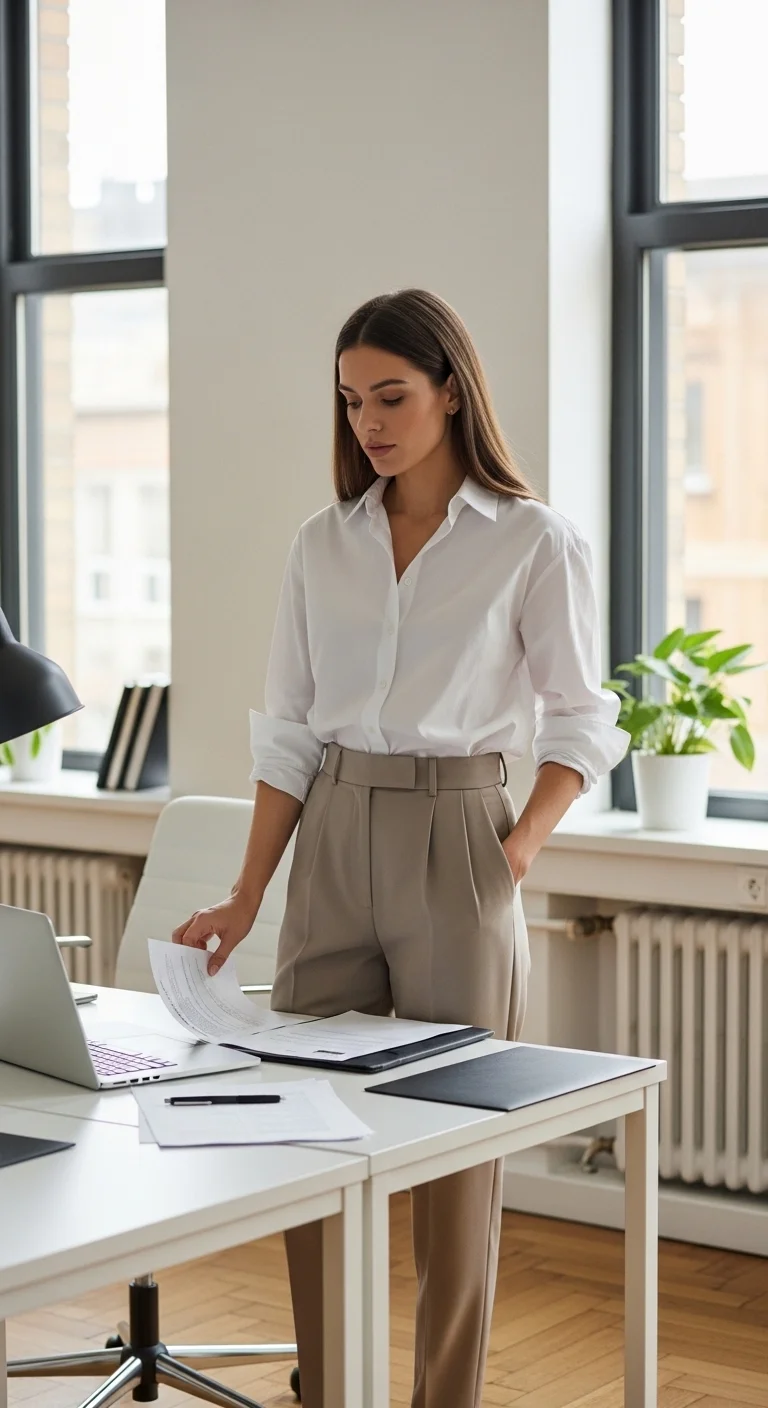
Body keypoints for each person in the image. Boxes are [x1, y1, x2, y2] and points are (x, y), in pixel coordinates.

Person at [173, 288, 629, 1408]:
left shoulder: (534, 540)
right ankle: (326, 1385)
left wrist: (511, 853)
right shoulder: (320, 545)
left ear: (451, 393)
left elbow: (581, 720)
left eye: (392, 395)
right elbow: (286, 735)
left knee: (458, 1152)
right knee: (307, 1133)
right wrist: (244, 895)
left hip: (458, 838)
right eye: (350, 399)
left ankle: (443, 1397)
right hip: (331, 830)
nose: (369, 421)